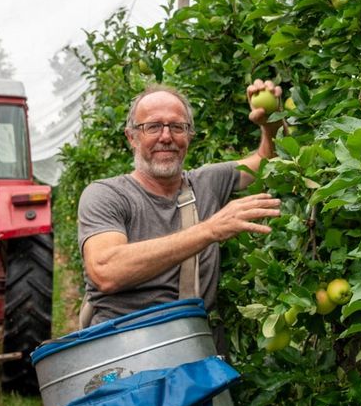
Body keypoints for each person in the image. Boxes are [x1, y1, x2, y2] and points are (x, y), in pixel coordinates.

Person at [77, 80, 283, 329]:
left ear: (189, 136)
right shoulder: (106, 194)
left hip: (194, 349)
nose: (166, 137)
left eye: (177, 127)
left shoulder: (206, 183)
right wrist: (210, 230)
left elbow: (267, 160)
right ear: (132, 137)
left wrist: (271, 121)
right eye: (152, 127)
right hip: (124, 352)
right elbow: (106, 271)